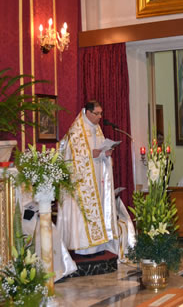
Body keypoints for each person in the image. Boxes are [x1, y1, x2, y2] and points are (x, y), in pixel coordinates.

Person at [57, 101, 134, 257]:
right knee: (84, 213)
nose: (100, 117)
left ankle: (99, 246)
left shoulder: (98, 130)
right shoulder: (76, 131)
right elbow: (68, 156)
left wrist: (106, 154)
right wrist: (90, 155)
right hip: (82, 183)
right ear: (87, 112)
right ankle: (83, 248)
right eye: (97, 113)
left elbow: (99, 151)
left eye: (101, 113)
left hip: (97, 180)